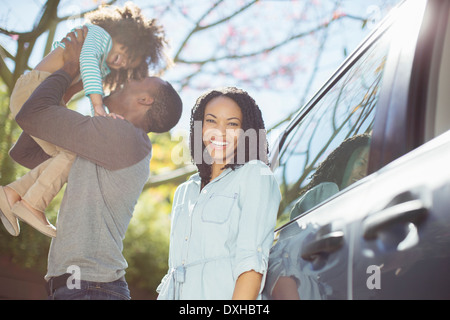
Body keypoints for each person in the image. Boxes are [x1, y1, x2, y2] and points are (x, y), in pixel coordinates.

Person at [1, 28, 182, 300]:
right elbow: (30, 149)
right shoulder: (111, 138)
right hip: (84, 286)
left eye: (139, 79)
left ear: (145, 100)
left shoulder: (122, 138)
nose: (128, 79)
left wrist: (73, 64)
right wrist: (75, 82)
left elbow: (32, 114)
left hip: (90, 288)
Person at [0, 2, 169, 238]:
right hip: (34, 89)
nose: (123, 61)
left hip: (48, 97)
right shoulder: (98, 35)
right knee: (73, 151)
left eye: (129, 63)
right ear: (121, 34)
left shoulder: (106, 67)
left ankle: (11, 194)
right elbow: (87, 64)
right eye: (125, 52)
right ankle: (31, 204)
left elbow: (89, 89)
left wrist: (98, 116)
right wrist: (98, 106)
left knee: (71, 152)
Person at [157, 87, 281, 300]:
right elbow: (173, 273)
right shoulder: (184, 192)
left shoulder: (255, 175)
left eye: (232, 124)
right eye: (211, 121)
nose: (220, 131)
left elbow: (251, 264)